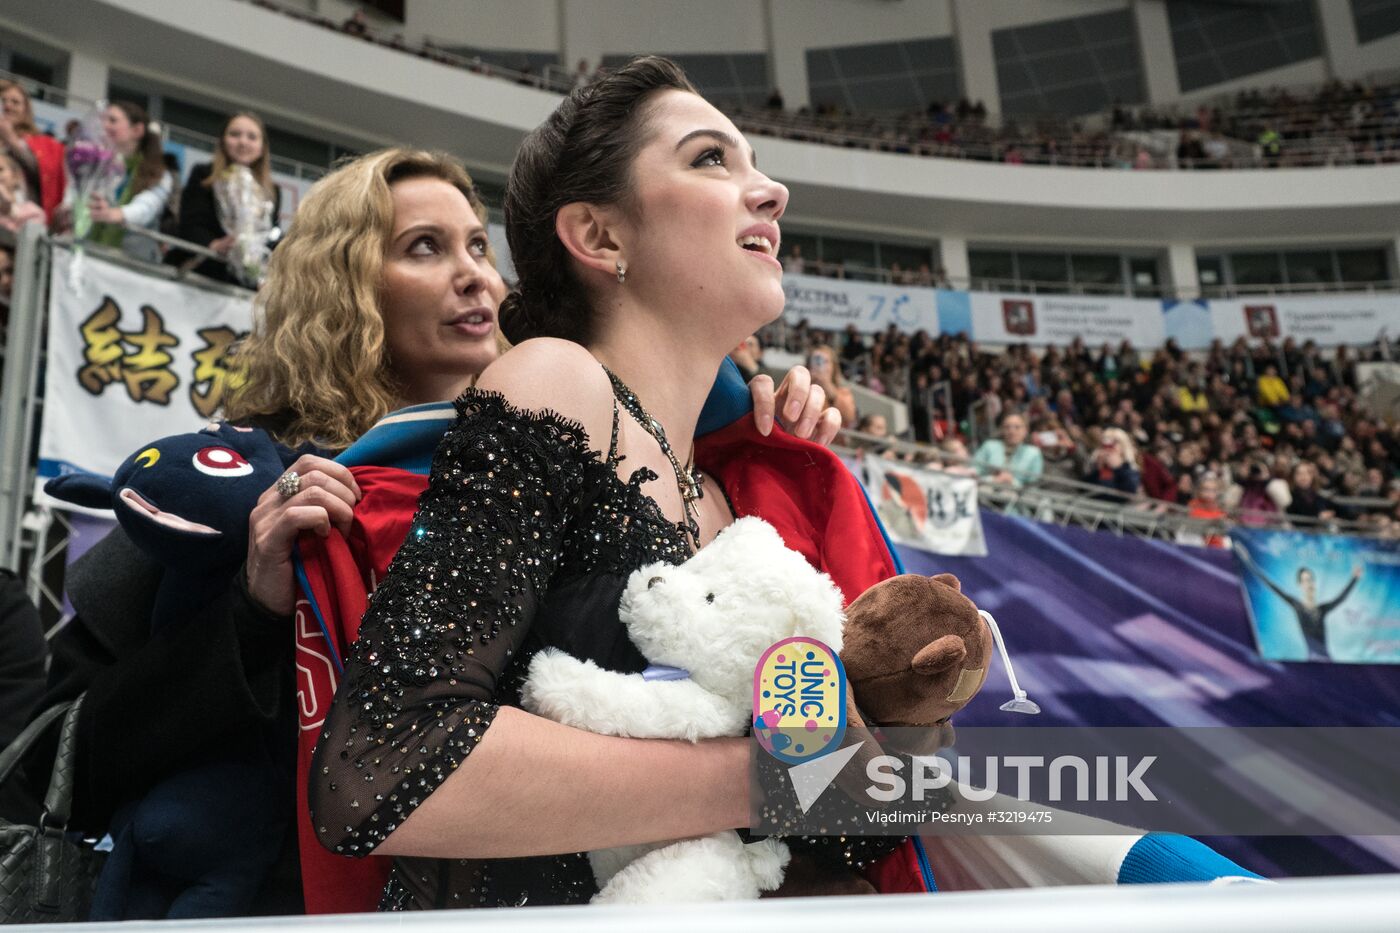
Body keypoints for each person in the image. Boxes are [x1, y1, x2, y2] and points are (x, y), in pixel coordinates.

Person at [32, 144, 836, 915]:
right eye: (425, 248)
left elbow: (774, 724)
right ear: (342, 288)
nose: (475, 277)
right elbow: (53, 761)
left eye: (480, 246)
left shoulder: (576, 460)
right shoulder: (237, 488)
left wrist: (757, 451)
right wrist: (250, 610)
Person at [308, 56, 907, 911]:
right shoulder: (555, 383)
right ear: (600, 237)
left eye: (754, 164)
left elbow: (855, 812)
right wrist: (761, 777)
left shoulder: (739, 491)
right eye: (711, 159)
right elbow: (381, 763)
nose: (770, 191)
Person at [165, 112, 282, 284]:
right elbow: (190, 223)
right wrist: (214, 245)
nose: (243, 142)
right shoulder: (203, 175)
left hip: (244, 283)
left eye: (252, 137)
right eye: (235, 134)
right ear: (223, 141)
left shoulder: (273, 191)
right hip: (200, 272)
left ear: (262, 147)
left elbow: (270, 235)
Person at [66, 101, 174, 263]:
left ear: (137, 130)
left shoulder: (160, 175)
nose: (104, 125)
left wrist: (112, 214)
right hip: (91, 257)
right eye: (103, 120)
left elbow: (145, 209)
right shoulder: (97, 164)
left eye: (113, 120)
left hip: (134, 267)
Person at [1234, 546, 1361, 659]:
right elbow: (1271, 585)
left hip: (1327, 658)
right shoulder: (1296, 605)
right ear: (1300, 584)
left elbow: (1341, 598)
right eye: (1305, 580)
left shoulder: (1323, 609)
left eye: (1311, 579)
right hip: (1311, 658)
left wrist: (1354, 578)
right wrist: (1248, 561)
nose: (1309, 583)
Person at [0, 79, 64, 220]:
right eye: (3, 101)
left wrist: (11, 140)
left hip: (20, 218)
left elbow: (43, 173)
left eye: (15, 102)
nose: (7, 106)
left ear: (26, 109)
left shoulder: (42, 142)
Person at [971, 411, 1043, 487]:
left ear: (1025, 431)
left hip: (1018, 494)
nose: (1012, 431)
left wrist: (1012, 481)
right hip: (986, 488)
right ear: (1002, 430)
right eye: (1007, 427)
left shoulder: (1034, 453)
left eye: (1017, 427)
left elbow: (1034, 483)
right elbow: (975, 469)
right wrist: (992, 479)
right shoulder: (989, 445)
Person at [808, 343, 857, 426]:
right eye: (816, 361)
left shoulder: (844, 392)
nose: (820, 365)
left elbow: (850, 417)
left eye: (825, 361)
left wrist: (829, 389)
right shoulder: (803, 387)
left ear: (833, 366)